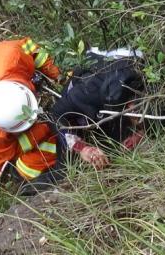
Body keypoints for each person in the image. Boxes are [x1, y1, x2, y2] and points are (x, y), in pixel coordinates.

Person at [18, 47, 151, 195]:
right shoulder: (86, 94)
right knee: (66, 167)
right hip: (77, 110)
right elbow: (55, 116)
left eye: (134, 108)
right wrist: (81, 147)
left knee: (117, 145)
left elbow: (148, 112)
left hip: (110, 90)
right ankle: (29, 189)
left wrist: (139, 133)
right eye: (130, 110)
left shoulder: (146, 76)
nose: (135, 113)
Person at [0, 37, 62, 207]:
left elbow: (31, 47)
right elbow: (10, 150)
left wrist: (57, 75)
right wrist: (42, 130)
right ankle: (15, 178)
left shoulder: (12, 55)